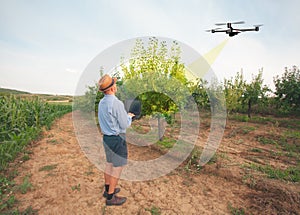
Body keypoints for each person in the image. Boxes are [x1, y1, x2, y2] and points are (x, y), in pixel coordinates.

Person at [98, 74, 134, 206]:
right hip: (117, 139)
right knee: (117, 167)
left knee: (109, 164)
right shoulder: (116, 103)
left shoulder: (102, 103)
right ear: (112, 88)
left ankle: (107, 190)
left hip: (106, 138)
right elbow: (124, 124)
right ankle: (111, 198)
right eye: (114, 83)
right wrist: (129, 117)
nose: (116, 85)